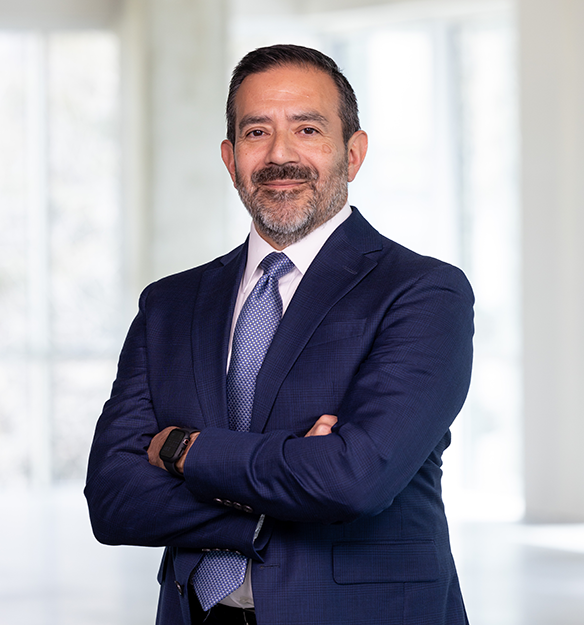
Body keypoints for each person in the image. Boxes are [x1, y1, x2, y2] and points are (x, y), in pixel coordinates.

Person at [85, 44, 474, 625]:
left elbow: (353, 481)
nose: (279, 154)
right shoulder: (169, 304)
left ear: (353, 153)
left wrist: (184, 450)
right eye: (256, 132)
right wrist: (292, 486)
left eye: (307, 129)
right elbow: (114, 498)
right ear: (230, 158)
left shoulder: (423, 293)